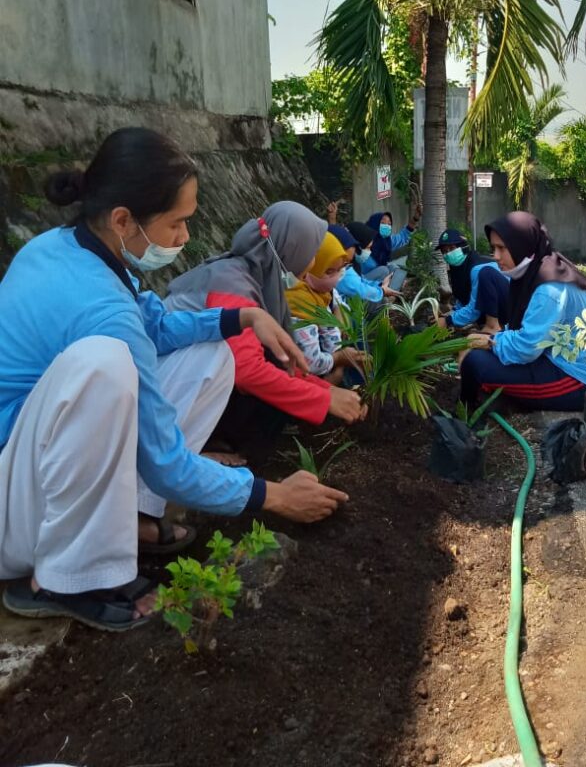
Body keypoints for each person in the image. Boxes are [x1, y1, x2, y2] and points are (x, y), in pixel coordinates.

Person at [0, 128, 348, 632]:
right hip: (17, 506)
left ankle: (131, 520)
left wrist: (241, 318)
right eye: (176, 223)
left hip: (31, 464)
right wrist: (272, 495)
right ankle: (66, 576)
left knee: (213, 354)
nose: (185, 238)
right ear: (123, 220)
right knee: (104, 364)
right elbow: (167, 463)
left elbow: (158, 326)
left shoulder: (69, 249)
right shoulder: (103, 312)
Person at [166, 203, 364, 438]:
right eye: (311, 252)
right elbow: (248, 370)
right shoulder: (233, 284)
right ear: (292, 249)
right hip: (166, 389)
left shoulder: (255, 280)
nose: (312, 263)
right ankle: (200, 444)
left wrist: (327, 390)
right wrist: (324, 398)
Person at [460, 212, 586, 410]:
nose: (496, 256)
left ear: (522, 245)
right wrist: (489, 340)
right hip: (557, 358)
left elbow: (526, 349)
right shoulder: (538, 270)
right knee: (482, 356)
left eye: (502, 248)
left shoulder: (549, 288)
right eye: (494, 248)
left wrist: (490, 341)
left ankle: (466, 414)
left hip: (583, 379)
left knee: (474, 362)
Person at [285, 232, 368, 384]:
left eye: (341, 268)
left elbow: (337, 304)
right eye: (329, 271)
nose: (337, 277)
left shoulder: (319, 291)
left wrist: (339, 317)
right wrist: (340, 359)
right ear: (309, 266)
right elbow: (311, 363)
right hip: (313, 377)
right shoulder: (300, 302)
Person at [434, 228, 509, 333]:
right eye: (444, 251)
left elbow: (474, 310)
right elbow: (464, 298)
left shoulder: (477, 268)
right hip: (495, 308)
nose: (448, 254)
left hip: (511, 309)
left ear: (463, 247)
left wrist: (447, 321)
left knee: (485, 274)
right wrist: (449, 314)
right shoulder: (457, 269)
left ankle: (495, 327)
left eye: (452, 248)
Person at [330, 223, 399, 305]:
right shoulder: (342, 271)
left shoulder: (349, 263)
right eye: (368, 248)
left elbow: (360, 280)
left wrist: (380, 285)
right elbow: (360, 289)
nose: (369, 251)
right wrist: (382, 291)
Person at [362, 207, 421, 287]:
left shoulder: (387, 242)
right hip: (360, 282)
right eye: (383, 223)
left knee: (394, 268)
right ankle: (378, 293)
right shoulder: (364, 240)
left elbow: (403, 236)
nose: (386, 226)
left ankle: (394, 291)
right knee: (384, 270)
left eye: (389, 224)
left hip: (378, 278)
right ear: (375, 223)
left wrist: (415, 218)